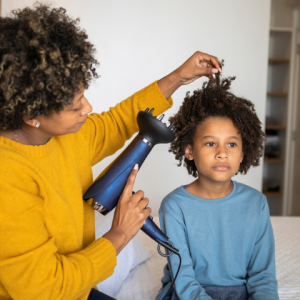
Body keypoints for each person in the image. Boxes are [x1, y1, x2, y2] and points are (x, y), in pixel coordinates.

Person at [0, 4, 222, 300]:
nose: (87, 108)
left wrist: (178, 77)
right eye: (74, 105)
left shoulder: (65, 135)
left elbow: (116, 122)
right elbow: (44, 289)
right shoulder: (8, 177)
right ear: (31, 114)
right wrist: (119, 234)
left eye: (83, 96)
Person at [156, 75, 279, 300]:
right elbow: (183, 278)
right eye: (210, 143)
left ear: (242, 154)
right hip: (188, 294)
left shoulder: (256, 202)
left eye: (231, 144)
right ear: (190, 151)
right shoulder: (174, 206)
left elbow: (263, 275)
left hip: (237, 293)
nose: (222, 152)